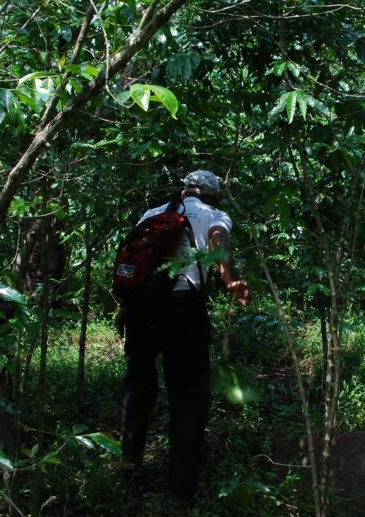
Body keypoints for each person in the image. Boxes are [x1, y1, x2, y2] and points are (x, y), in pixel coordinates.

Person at [117, 169, 250, 507]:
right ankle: (179, 490)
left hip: (141, 309)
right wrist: (231, 280)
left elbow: (132, 258)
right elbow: (219, 239)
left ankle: (129, 457)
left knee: (139, 380)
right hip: (182, 308)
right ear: (211, 194)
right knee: (188, 394)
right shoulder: (213, 215)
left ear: (184, 191)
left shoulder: (152, 214)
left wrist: (124, 307)